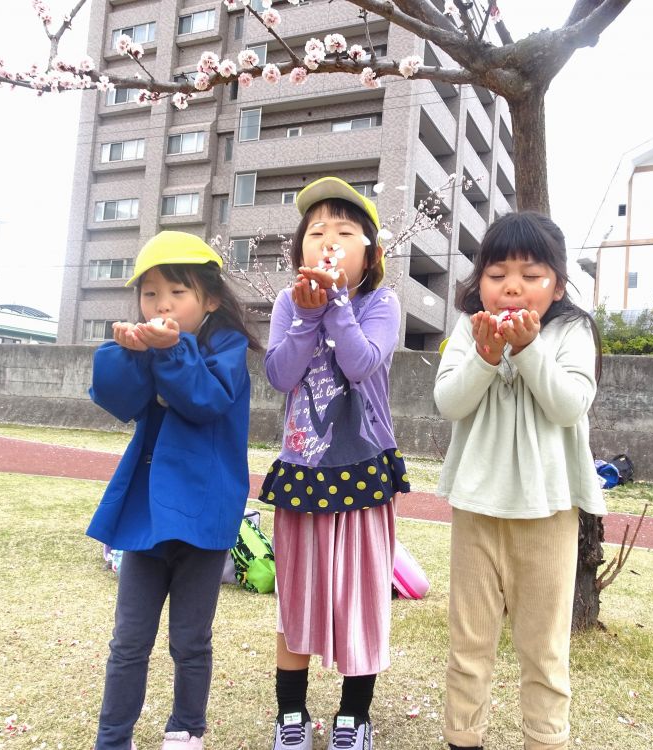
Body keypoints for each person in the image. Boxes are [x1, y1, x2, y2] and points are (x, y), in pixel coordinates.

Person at [434, 211, 606, 750]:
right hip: (477, 507)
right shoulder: (469, 328)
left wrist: (528, 350)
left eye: (531, 274)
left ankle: (546, 739)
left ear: (556, 285)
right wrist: (486, 357)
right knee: (469, 643)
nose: (513, 286)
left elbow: (568, 405)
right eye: (497, 273)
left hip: (549, 510)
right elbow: (449, 402)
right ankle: (464, 738)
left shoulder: (572, 331)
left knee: (544, 647)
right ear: (478, 282)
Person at [87, 231, 261, 750]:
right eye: (150, 293)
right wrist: (126, 351)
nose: (161, 304)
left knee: (191, 639)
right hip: (147, 518)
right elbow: (117, 398)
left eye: (176, 293)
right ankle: (112, 737)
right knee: (129, 641)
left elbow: (205, 400)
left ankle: (185, 730)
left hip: (203, 519)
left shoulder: (225, 347)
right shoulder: (146, 346)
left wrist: (171, 349)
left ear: (208, 299)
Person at [259, 177, 411, 750]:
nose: (328, 241)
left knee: (361, 599)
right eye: (317, 231)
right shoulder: (285, 304)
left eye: (345, 233)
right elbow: (281, 375)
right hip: (302, 469)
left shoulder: (382, 302)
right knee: (295, 598)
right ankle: (290, 717)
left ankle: (354, 719)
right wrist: (304, 316)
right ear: (300, 249)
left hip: (364, 467)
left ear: (369, 253)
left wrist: (338, 309)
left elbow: (361, 365)